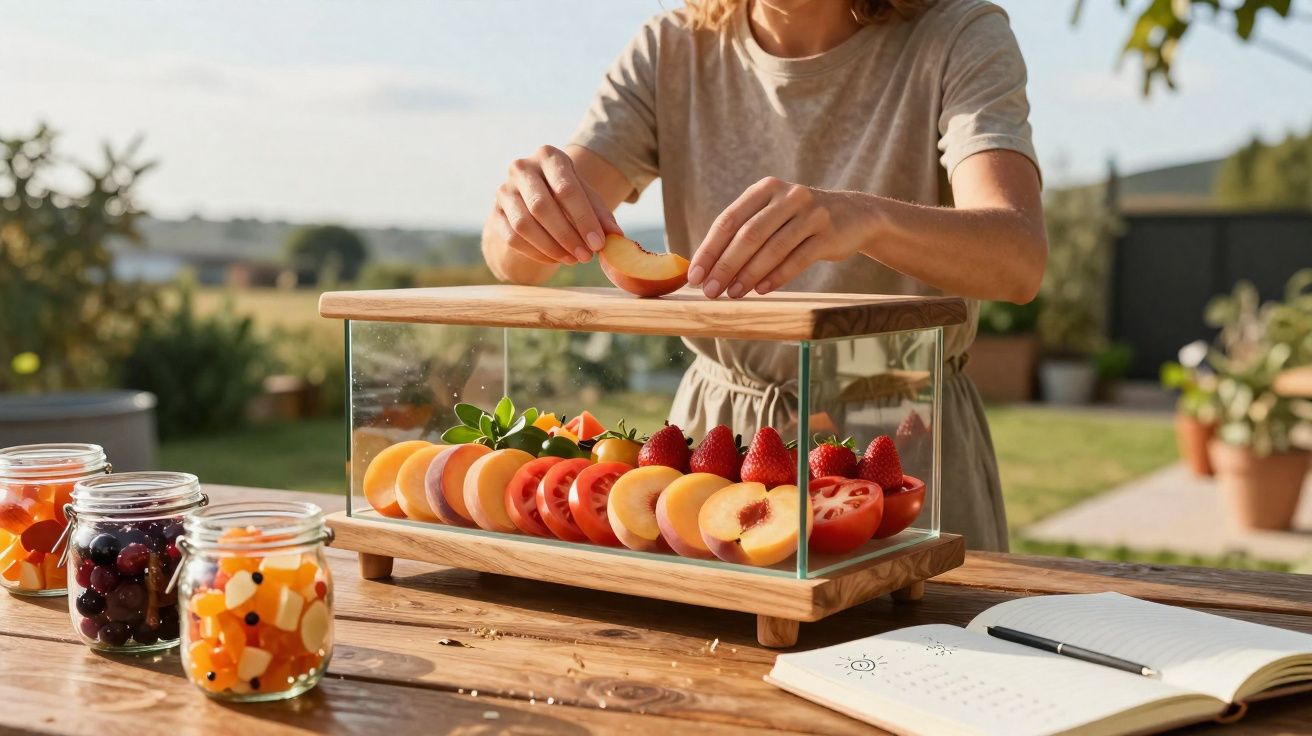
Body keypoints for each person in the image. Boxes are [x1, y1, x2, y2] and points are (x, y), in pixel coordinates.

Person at [480, 0, 1046, 552]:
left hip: (898, 442)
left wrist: (869, 218)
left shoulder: (959, 32)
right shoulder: (669, 47)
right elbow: (519, 262)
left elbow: (1019, 259)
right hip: (717, 442)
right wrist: (522, 216)